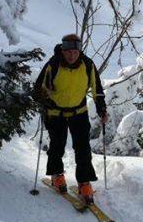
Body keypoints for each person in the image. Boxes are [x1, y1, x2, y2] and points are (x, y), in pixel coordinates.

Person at [33, 33, 108, 204]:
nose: (72, 55)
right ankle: (57, 175)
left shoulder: (87, 65)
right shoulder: (53, 65)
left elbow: (97, 90)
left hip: (79, 112)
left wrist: (102, 109)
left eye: (76, 51)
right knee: (57, 145)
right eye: (69, 52)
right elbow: (37, 90)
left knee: (82, 148)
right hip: (55, 112)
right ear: (63, 50)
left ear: (79, 50)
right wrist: (44, 99)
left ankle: (84, 183)